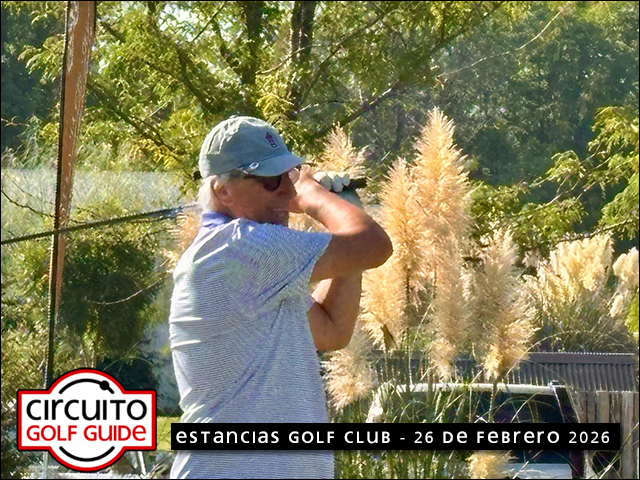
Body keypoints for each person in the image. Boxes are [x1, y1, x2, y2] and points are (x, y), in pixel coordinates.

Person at [168, 116, 392, 479]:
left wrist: (351, 218)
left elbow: (332, 329)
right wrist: (317, 197)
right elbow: (374, 245)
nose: (289, 195)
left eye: (290, 176)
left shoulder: (252, 264)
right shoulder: (237, 248)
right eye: (271, 181)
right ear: (223, 191)